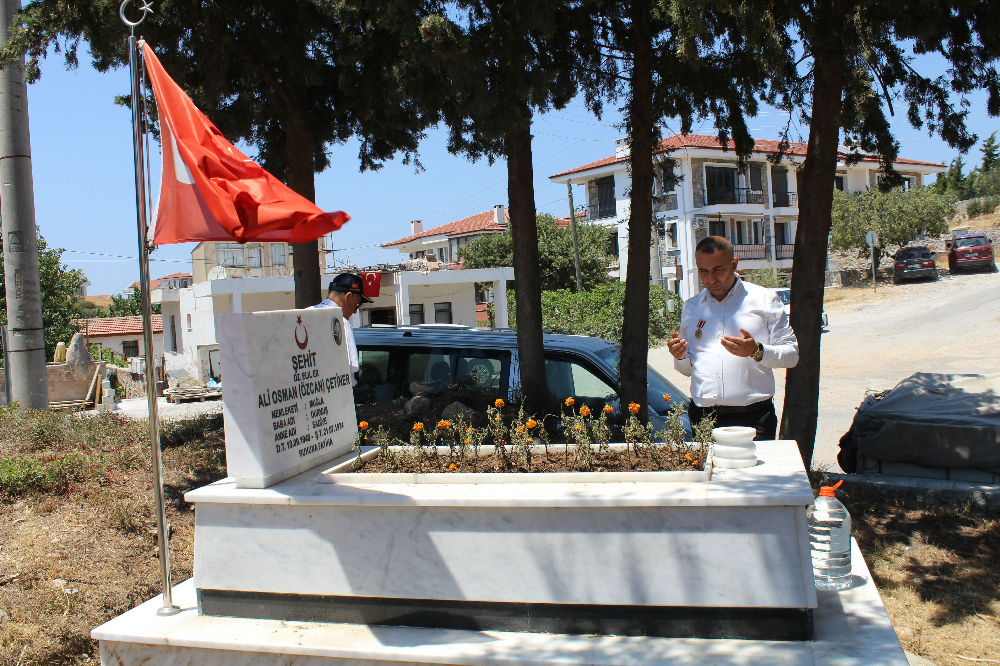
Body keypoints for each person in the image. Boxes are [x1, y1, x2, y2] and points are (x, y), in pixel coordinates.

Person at [667, 236, 798, 440]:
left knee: (753, 473)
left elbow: (792, 355)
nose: (711, 279)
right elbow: (686, 370)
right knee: (708, 473)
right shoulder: (692, 307)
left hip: (754, 419)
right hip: (704, 418)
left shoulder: (764, 300)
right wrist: (681, 356)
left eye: (718, 269)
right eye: (703, 271)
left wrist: (757, 351)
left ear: (734, 263)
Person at [309, 273, 373, 387]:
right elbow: (347, 377)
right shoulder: (340, 324)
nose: (355, 311)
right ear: (348, 297)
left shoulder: (306, 314)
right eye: (357, 304)